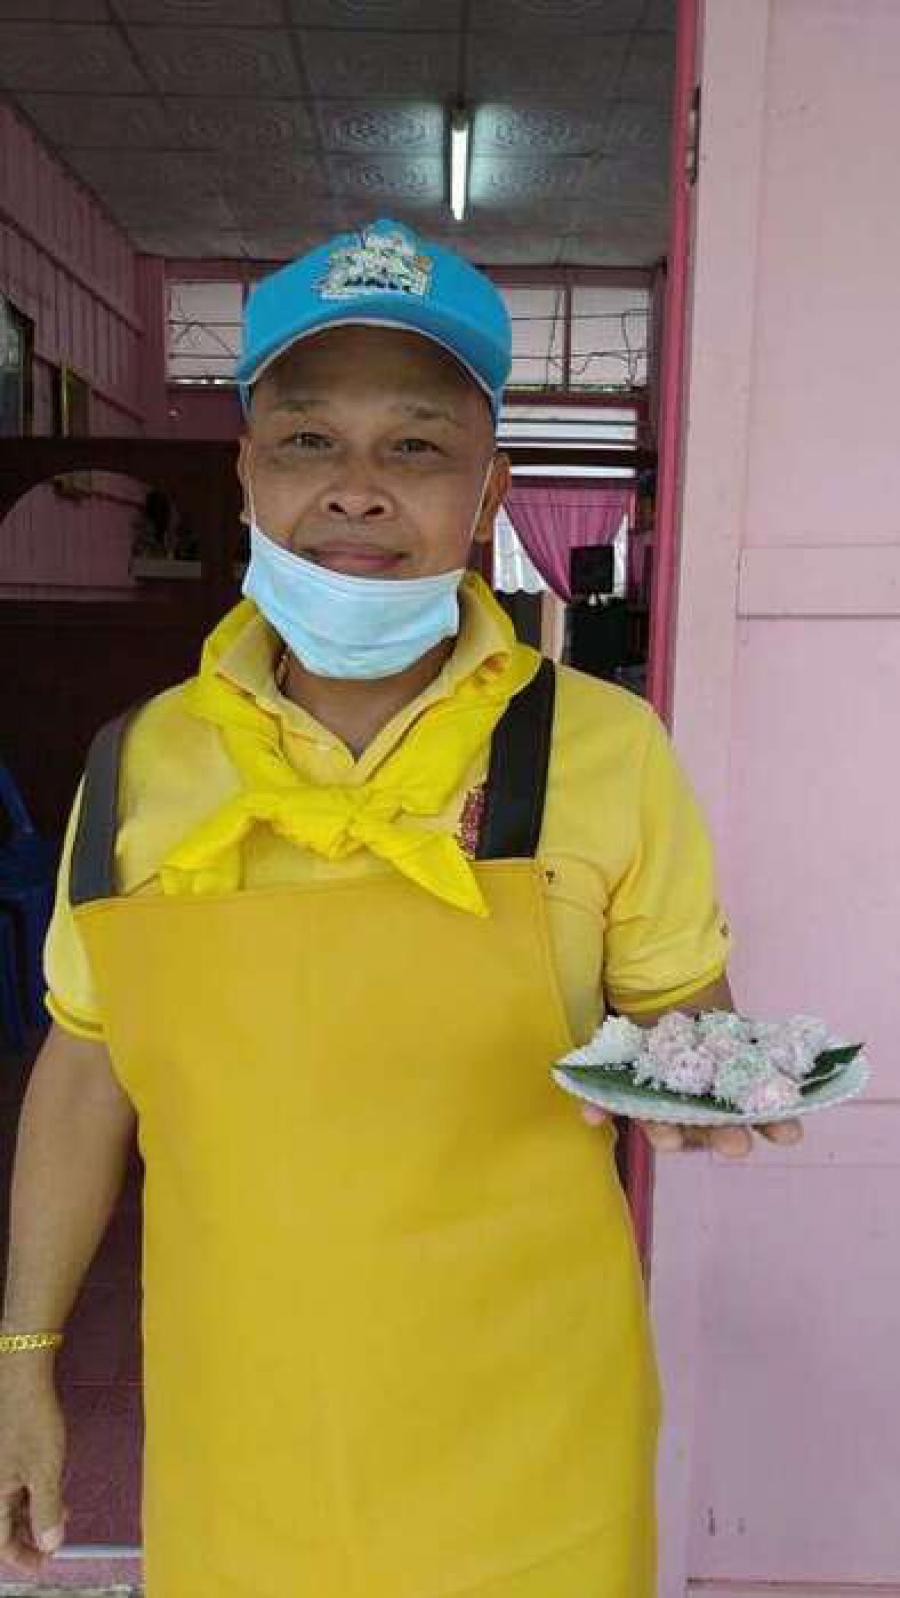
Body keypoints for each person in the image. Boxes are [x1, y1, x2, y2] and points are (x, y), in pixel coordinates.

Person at [0, 219, 802, 1594]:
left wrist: (704, 1077)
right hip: (240, 1422)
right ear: (247, 474)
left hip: (532, 1432)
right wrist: (22, 1359)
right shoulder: (141, 762)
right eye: (309, 439)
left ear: (489, 490)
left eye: (416, 445)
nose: (357, 489)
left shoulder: (604, 750)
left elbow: (685, 1010)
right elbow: (85, 1068)